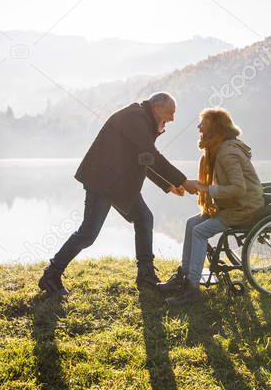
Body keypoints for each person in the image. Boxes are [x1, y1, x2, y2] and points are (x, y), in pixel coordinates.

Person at [38, 92, 189, 296]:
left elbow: (143, 157)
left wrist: (169, 184)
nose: (172, 118)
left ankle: (146, 277)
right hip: (104, 182)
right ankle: (51, 275)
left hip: (117, 182)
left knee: (144, 218)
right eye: (170, 112)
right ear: (156, 107)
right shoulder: (136, 117)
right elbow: (150, 155)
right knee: (88, 233)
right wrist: (183, 180)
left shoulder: (142, 118)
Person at [159, 107, 263, 307]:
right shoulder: (217, 149)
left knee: (200, 231)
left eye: (202, 123)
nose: (198, 126)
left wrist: (207, 190)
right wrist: (204, 189)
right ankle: (185, 275)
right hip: (230, 205)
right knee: (192, 223)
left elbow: (239, 189)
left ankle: (192, 288)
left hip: (243, 207)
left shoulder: (227, 153)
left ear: (215, 128)